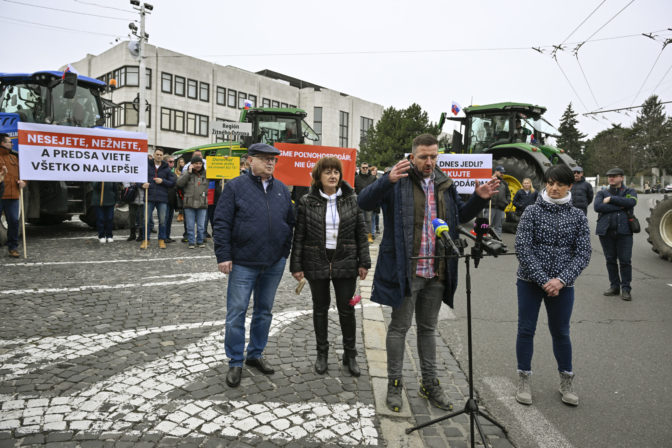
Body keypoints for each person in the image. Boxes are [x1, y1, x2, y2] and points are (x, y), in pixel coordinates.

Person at [358, 134, 499, 412]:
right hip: (407, 270)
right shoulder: (396, 180)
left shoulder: (444, 183)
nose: (429, 161)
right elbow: (364, 202)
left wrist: (479, 199)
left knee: (428, 329)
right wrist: (386, 180)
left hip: (437, 269)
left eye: (433, 156)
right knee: (399, 329)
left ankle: (430, 383)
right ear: (412, 156)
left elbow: (458, 218)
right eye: (424, 156)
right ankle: (395, 384)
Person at [214, 143, 294, 388]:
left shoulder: (281, 189)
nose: (271, 163)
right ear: (250, 161)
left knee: (264, 311)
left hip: (273, 262)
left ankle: (255, 354)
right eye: (265, 159)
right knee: (236, 313)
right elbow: (221, 222)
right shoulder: (236, 187)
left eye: (274, 160)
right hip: (243, 263)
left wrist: (284, 252)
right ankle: (235, 361)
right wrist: (223, 255)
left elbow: (289, 223)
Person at [514, 164, 591, 407]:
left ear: (570, 186)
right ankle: (524, 379)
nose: (554, 188)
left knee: (561, 332)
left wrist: (560, 280)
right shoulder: (531, 212)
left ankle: (566, 380)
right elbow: (523, 248)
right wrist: (543, 279)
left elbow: (583, 253)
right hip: (530, 282)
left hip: (562, 285)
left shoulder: (578, 216)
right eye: (550, 183)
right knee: (526, 330)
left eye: (559, 184)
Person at [290, 157, 371, 376]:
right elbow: (300, 236)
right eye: (327, 172)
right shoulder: (307, 201)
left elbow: (360, 233)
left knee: (347, 310)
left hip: (345, 259)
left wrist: (364, 262)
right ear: (319, 176)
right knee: (320, 309)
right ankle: (322, 353)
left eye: (336, 172)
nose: (333, 176)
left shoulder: (352, 200)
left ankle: (350, 354)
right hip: (316, 259)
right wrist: (296, 265)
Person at [594, 167, 637, 301]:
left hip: (624, 232)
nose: (611, 178)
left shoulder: (630, 191)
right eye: (609, 176)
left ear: (621, 177)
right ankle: (614, 286)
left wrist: (611, 199)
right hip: (606, 232)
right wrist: (621, 206)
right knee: (610, 260)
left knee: (625, 261)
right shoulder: (602, 193)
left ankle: (626, 289)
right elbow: (598, 207)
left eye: (614, 176)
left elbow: (631, 202)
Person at [138, 148, 176, 249]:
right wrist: (142, 184)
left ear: (163, 156)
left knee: (163, 220)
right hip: (149, 197)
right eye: (157, 154)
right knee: (146, 220)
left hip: (162, 198)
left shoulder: (166, 168)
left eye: (160, 155)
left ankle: (161, 240)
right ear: (154, 155)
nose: (159, 156)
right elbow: (138, 179)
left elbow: (172, 183)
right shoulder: (146, 166)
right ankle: (146, 240)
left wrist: (162, 181)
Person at [0, 133, 27, 258]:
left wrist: (23, 182)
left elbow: (24, 174)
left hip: (13, 196)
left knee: (14, 222)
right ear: (2, 143)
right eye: (9, 142)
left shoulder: (14, 159)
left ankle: (13, 247)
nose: (12, 144)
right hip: (1, 195)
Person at [177, 155, 208, 249]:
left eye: (200, 163)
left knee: (201, 226)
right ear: (191, 164)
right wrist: (188, 173)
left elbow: (220, 177)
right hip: (189, 203)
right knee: (190, 226)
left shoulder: (207, 173)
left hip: (202, 203)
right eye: (196, 163)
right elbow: (179, 183)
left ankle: (199, 241)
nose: (198, 165)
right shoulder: (186, 172)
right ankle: (191, 242)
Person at [355, 162, 377, 243]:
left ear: (368, 168)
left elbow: (376, 190)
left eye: (366, 167)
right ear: (360, 168)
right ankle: (360, 236)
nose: (365, 169)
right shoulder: (356, 178)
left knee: (368, 220)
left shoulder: (372, 178)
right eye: (363, 167)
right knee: (359, 220)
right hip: (359, 201)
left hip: (369, 202)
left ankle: (369, 236)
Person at [487, 165, 510, 235]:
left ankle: (497, 242)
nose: (502, 174)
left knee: (498, 227)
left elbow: (508, 194)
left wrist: (507, 202)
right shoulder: (489, 181)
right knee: (487, 226)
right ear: (496, 171)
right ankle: (486, 242)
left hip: (500, 208)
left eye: (503, 172)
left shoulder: (504, 183)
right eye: (500, 172)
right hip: (490, 208)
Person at [164, 155, 177, 243]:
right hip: (165, 198)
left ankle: (167, 236)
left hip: (172, 199)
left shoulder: (173, 172)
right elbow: (172, 182)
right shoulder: (163, 171)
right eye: (170, 161)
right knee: (164, 220)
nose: (172, 163)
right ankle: (163, 237)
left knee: (169, 220)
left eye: (173, 161)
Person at [369, 166, 381, 239]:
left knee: (374, 217)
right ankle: (371, 233)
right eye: (373, 170)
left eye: (376, 170)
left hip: (376, 201)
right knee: (370, 219)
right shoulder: (369, 179)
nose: (375, 172)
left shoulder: (377, 179)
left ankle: (373, 232)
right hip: (370, 200)